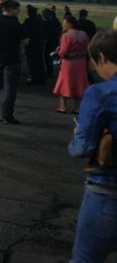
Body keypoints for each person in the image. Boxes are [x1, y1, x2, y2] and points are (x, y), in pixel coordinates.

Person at [67, 30, 117, 261]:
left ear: (103, 58)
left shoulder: (100, 93)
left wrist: (78, 136)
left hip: (108, 191)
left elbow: (83, 148)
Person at [0, 0, 25, 124]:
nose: (19, 12)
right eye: (18, 9)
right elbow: (24, 39)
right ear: (12, 9)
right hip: (12, 58)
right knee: (10, 88)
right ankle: (7, 115)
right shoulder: (16, 25)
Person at [54, 14, 91, 114]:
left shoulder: (66, 35)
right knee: (79, 84)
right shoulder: (84, 34)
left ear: (69, 24)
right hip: (81, 62)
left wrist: (58, 52)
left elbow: (64, 51)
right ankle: (77, 107)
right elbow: (87, 48)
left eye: (64, 23)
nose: (63, 25)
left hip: (68, 63)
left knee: (64, 83)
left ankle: (63, 107)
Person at [23, 4, 47, 86]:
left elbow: (24, 32)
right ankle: (42, 78)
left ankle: (34, 78)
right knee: (39, 61)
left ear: (29, 12)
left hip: (31, 43)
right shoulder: (41, 20)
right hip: (39, 43)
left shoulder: (28, 21)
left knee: (32, 62)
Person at [43, 7, 62, 80]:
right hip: (56, 41)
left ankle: (49, 73)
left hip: (49, 42)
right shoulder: (57, 21)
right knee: (55, 58)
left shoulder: (47, 22)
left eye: (44, 14)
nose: (43, 16)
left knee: (48, 58)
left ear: (48, 14)